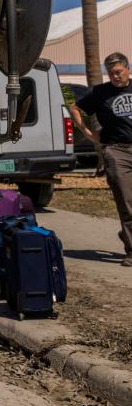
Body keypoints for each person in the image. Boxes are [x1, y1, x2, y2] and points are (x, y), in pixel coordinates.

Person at [70, 52, 132, 267]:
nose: (115, 76)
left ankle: (127, 234)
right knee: (126, 201)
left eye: (118, 72)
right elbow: (75, 108)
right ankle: (131, 251)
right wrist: (87, 133)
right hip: (117, 150)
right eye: (111, 73)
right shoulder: (100, 92)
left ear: (127, 69)